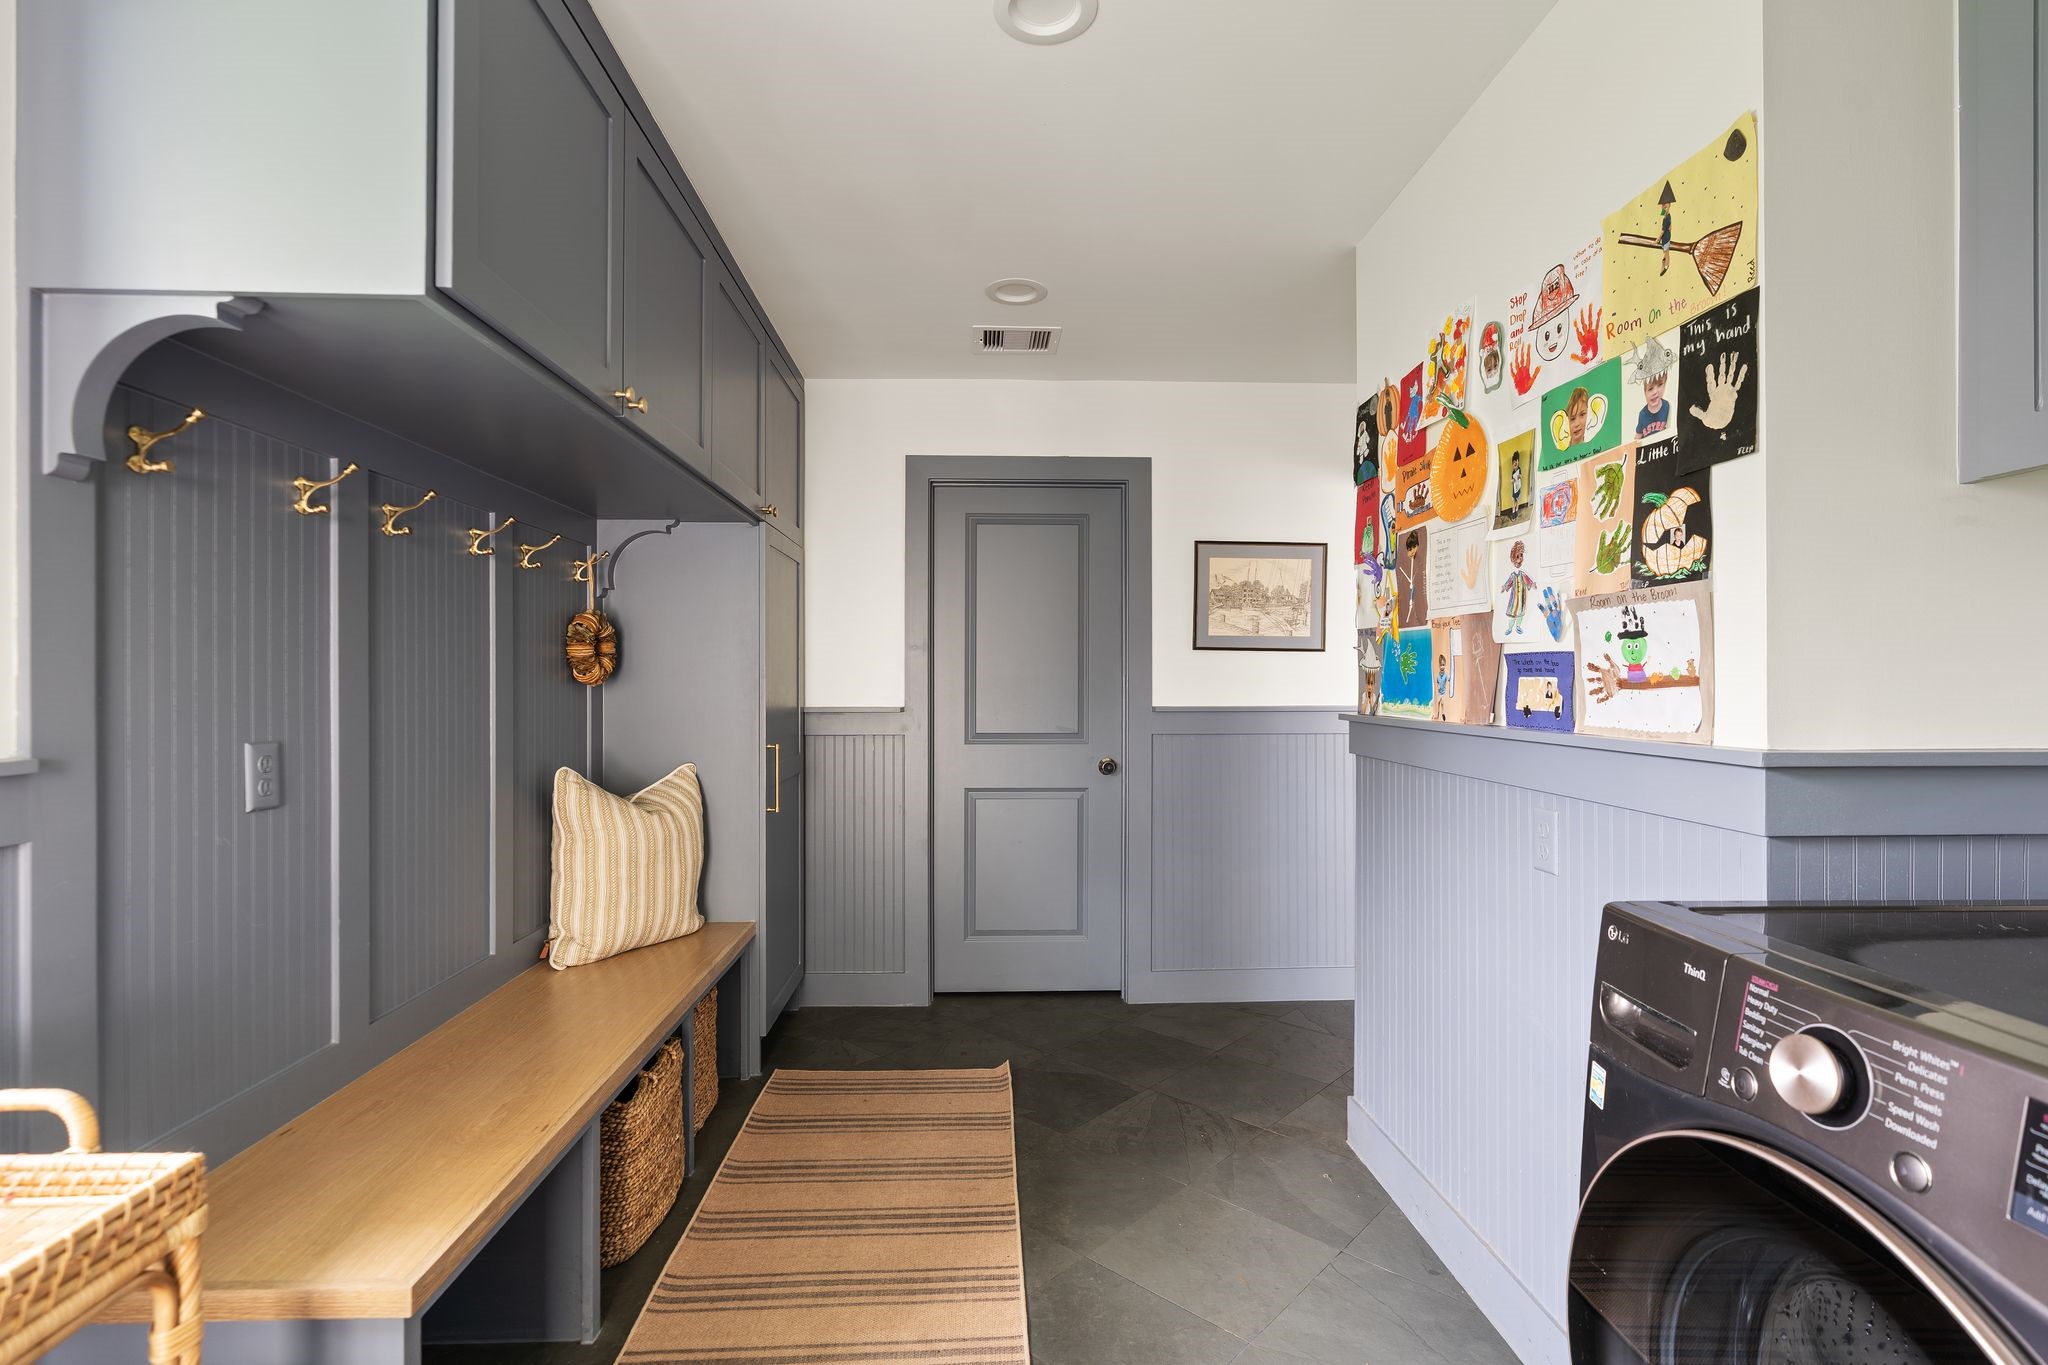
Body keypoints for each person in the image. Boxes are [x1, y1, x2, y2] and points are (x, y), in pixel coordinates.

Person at [1631, 334, 1675, 438]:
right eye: (1650, 389)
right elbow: (1637, 437)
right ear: (1644, 391)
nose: (1655, 392)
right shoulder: (1642, 414)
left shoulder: (1667, 406)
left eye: (1660, 385)